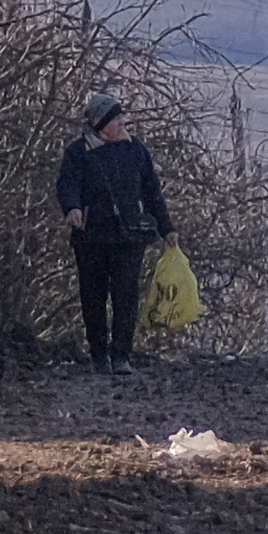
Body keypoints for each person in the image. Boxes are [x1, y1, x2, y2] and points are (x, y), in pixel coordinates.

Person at [54, 88, 171, 367]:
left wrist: (167, 228)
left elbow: (152, 191)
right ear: (101, 124)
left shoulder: (135, 149)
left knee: (126, 296)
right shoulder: (78, 152)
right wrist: (72, 208)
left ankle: (121, 355)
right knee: (93, 297)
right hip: (91, 237)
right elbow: (67, 184)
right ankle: (99, 353)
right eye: (117, 119)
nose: (122, 124)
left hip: (129, 237)